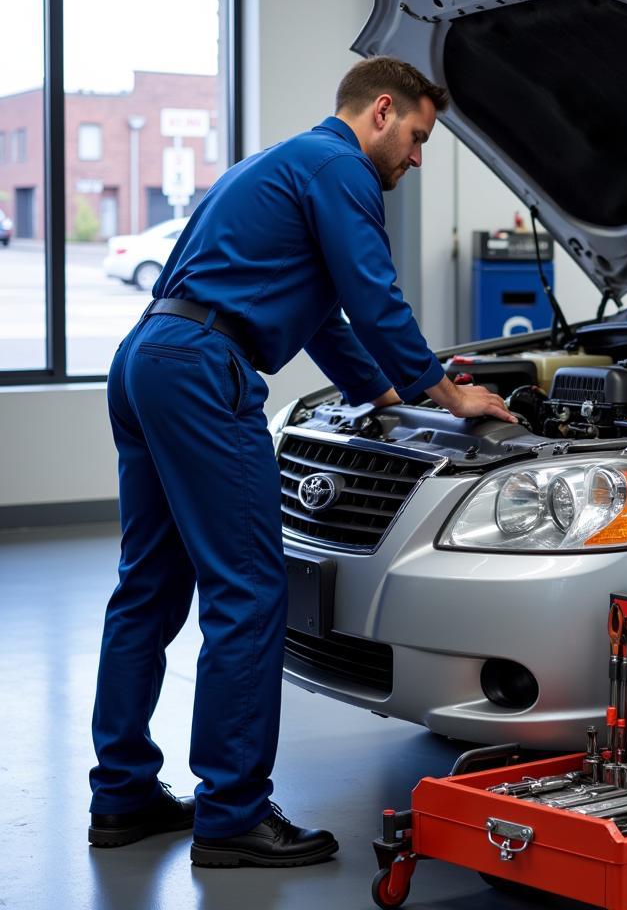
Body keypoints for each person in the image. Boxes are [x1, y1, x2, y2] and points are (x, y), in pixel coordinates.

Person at [87, 56, 516, 868]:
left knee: (147, 586)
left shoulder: (276, 165)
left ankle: (122, 793)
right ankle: (233, 816)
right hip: (206, 369)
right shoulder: (339, 166)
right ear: (382, 111)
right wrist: (445, 391)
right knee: (250, 589)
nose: (417, 158)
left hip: (149, 354)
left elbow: (324, 318)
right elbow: (371, 289)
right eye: (419, 138)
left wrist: (388, 396)